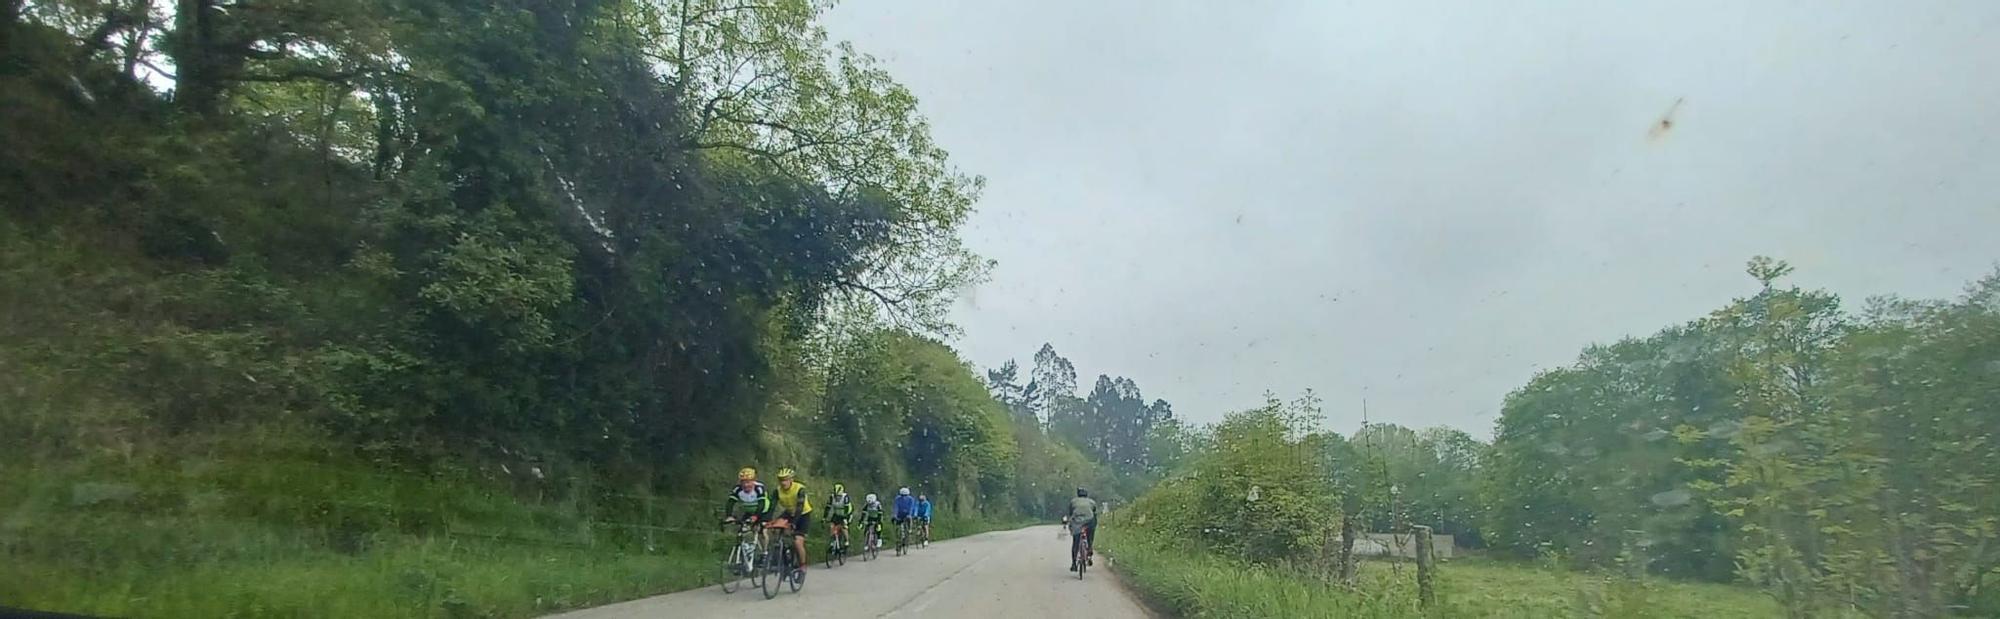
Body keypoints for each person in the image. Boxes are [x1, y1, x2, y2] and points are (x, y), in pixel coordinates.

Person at [771, 467, 814, 574]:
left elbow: (799, 508)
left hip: (803, 514)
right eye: (781, 480)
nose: (783, 482)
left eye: (785, 479)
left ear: (791, 480)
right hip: (789, 512)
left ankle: (802, 565)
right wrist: (767, 520)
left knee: (798, 542)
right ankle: (781, 556)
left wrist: (793, 524)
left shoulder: (800, 489)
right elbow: (771, 507)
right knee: (775, 528)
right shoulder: (777, 491)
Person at [1067, 487, 1099, 571]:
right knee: (1090, 534)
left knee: (1076, 542)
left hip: (1077, 522)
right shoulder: (1091, 502)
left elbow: (1071, 513)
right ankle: (1090, 547)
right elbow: (1094, 512)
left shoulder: (1073, 501)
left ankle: (1074, 564)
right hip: (1089, 521)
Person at [825, 483, 854, 554]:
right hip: (837, 514)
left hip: (846, 514)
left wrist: (845, 519)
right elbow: (827, 508)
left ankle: (847, 542)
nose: (837, 497)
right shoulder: (832, 497)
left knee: (844, 527)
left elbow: (847, 509)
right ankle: (832, 543)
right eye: (836, 496)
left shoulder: (845, 497)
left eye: (839, 496)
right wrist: (824, 518)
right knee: (832, 526)